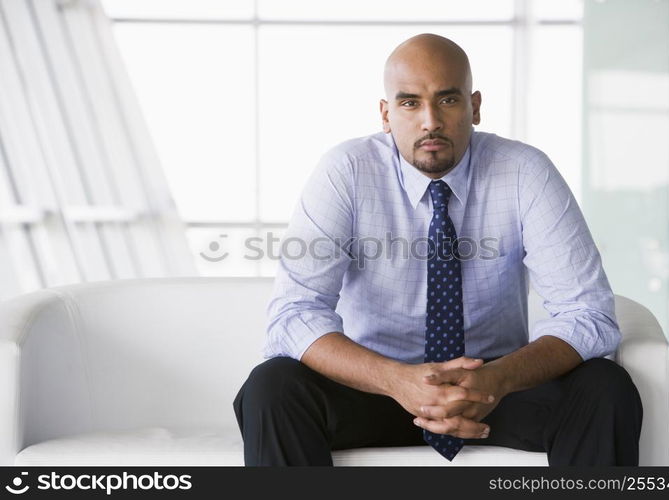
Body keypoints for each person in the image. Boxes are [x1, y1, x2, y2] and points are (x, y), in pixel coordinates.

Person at [233, 33, 642, 466]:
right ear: (386, 115)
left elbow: (587, 313)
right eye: (410, 103)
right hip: (376, 387)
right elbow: (293, 315)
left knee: (604, 385)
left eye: (447, 100)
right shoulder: (346, 172)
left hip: (494, 388)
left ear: (475, 106)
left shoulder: (525, 172)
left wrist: (494, 380)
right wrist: (397, 381)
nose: (430, 121)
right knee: (271, 387)